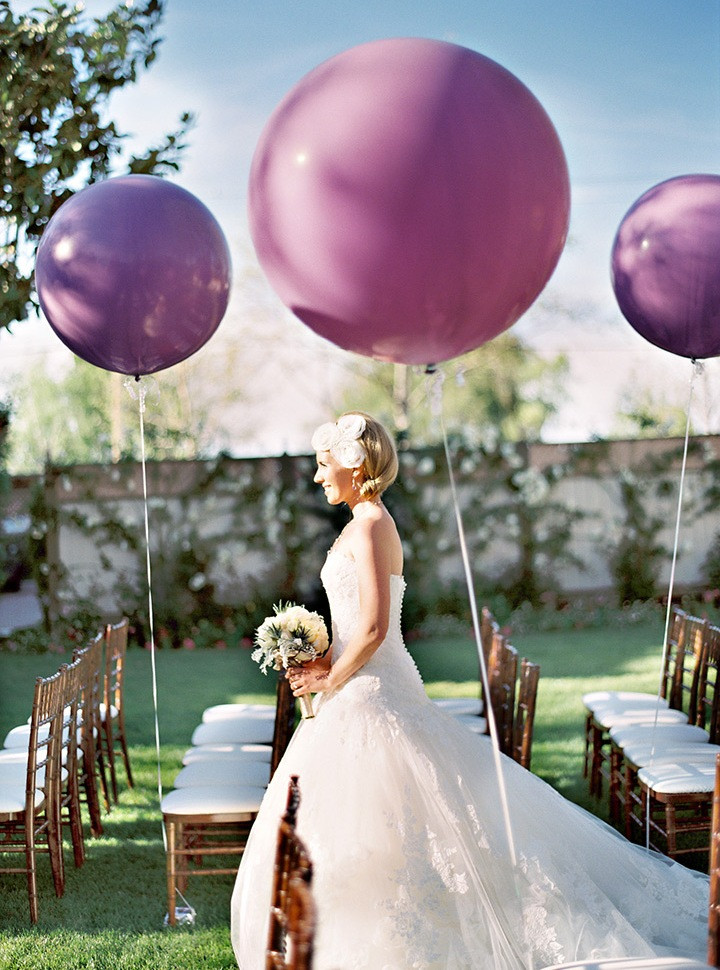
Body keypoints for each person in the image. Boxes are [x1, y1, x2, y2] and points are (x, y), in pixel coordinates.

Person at [231, 411, 709, 970]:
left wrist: (328, 678)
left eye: (323, 463)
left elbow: (377, 628)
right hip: (359, 682)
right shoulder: (362, 522)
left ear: (354, 463)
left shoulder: (370, 526)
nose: (317, 476)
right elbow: (356, 624)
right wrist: (321, 657)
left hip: (372, 688)